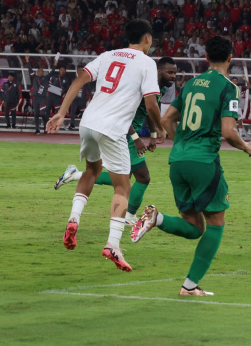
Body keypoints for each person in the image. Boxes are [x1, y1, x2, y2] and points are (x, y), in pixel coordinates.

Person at [132, 36, 251, 297]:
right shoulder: (229, 88)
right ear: (231, 59)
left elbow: (166, 119)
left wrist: (182, 144)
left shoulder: (189, 85)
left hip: (178, 161)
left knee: (195, 227)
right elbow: (229, 132)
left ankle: (157, 218)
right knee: (216, 224)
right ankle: (190, 286)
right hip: (203, 162)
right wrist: (247, 146)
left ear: (206, 58)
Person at [45, 19, 166, 272]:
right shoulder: (147, 63)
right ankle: (112, 244)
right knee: (123, 186)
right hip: (112, 129)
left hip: (88, 122)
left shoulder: (107, 55)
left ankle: (74, 219)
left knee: (91, 171)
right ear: (147, 39)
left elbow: (79, 80)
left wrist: (61, 113)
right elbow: (152, 105)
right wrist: (160, 130)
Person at [55, 57, 178, 226]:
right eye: (170, 72)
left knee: (123, 177)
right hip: (125, 133)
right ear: (158, 72)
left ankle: (74, 174)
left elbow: (150, 110)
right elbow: (124, 113)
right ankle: (129, 215)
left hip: (127, 133)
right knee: (143, 177)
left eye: (175, 73)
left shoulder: (158, 87)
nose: (173, 76)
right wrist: (136, 139)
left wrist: (152, 135)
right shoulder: (142, 85)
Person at [28, 62, 49, 135]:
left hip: (42, 98)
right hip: (35, 98)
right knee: (36, 114)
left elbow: (52, 72)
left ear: (43, 72)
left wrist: (55, 65)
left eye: (40, 71)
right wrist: (28, 62)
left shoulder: (46, 78)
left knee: (43, 113)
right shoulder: (35, 77)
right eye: (38, 71)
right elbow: (30, 71)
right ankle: (37, 129)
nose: (39, 73)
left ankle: (46, 127)